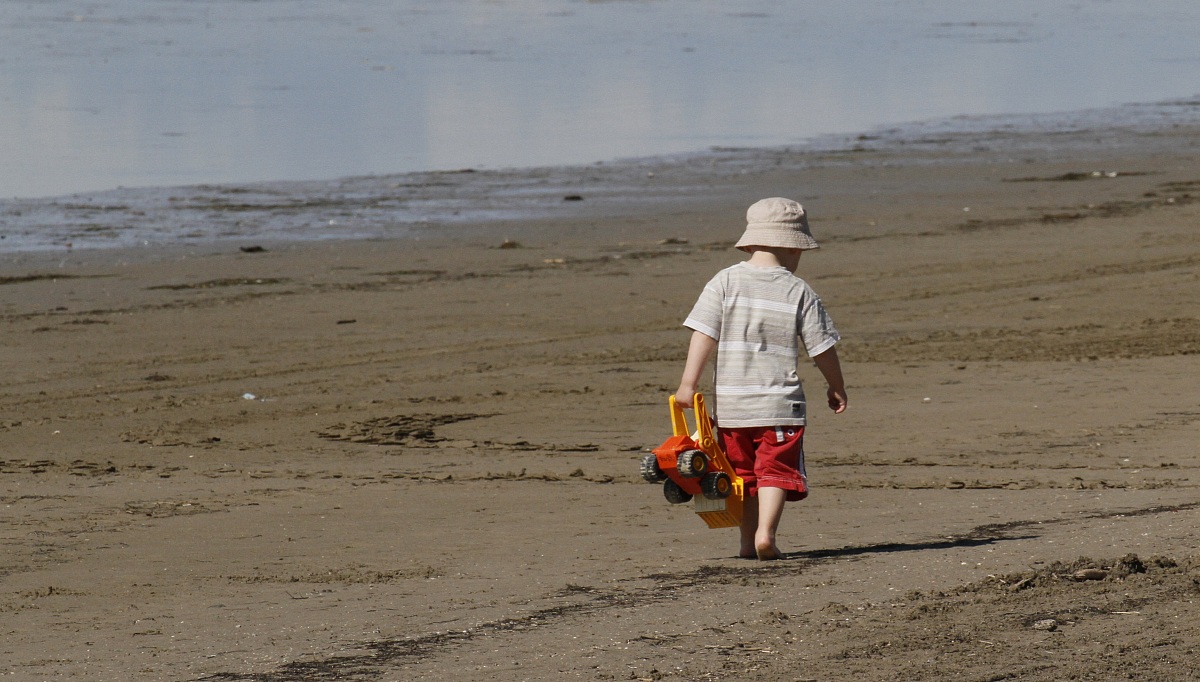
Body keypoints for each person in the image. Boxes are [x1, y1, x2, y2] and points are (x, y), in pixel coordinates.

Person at [675, 197, 847, 561]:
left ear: (752, 241)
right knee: (775, 471)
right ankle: (766, 536)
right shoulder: (799, 291)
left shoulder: (724, 281)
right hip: (780, 406)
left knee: (743, 476)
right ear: (791, 247)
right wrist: (836, 386)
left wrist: (689, 383)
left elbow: (703, 333)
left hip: (735, 407)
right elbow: (822, 349)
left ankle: (746, 541)